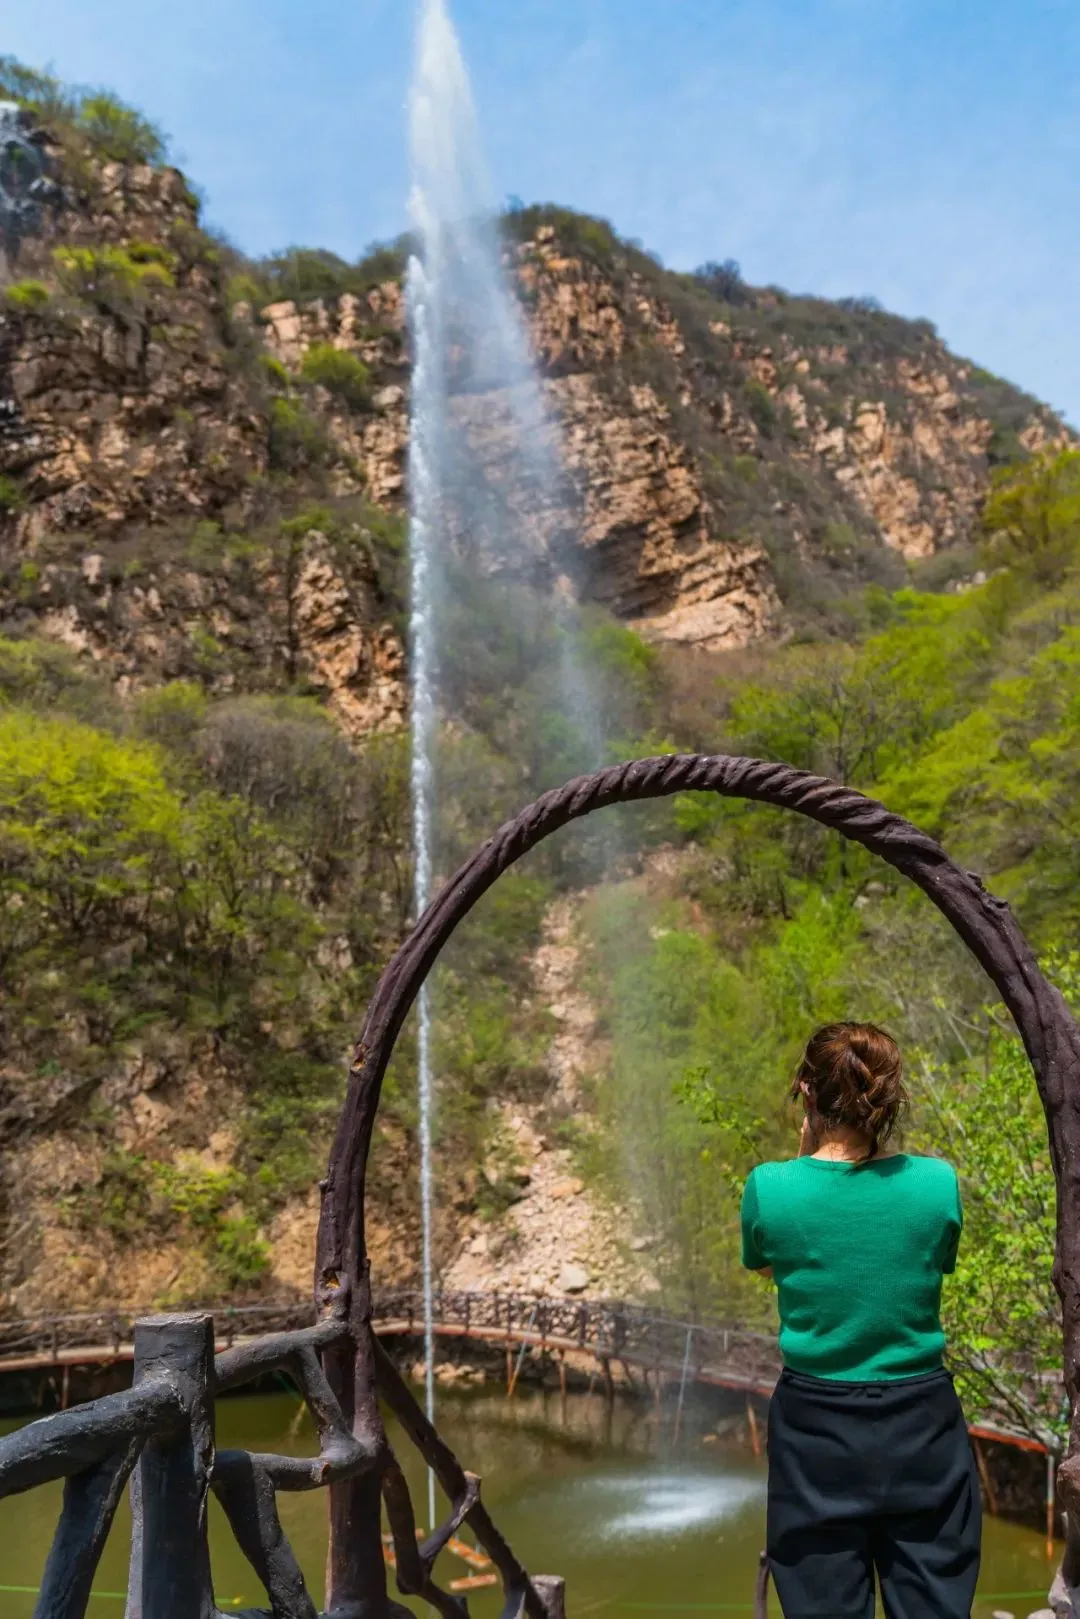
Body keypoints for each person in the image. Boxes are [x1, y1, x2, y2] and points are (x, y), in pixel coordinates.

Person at [740, 1021, 980, 1619]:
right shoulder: (936, 1184)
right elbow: (925, 1264)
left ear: (806, 1092)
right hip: (923, 1424)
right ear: (888, 1098)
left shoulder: (771, 1188)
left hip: (815, 1430)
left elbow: (774, 1265)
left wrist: (803, 1158)